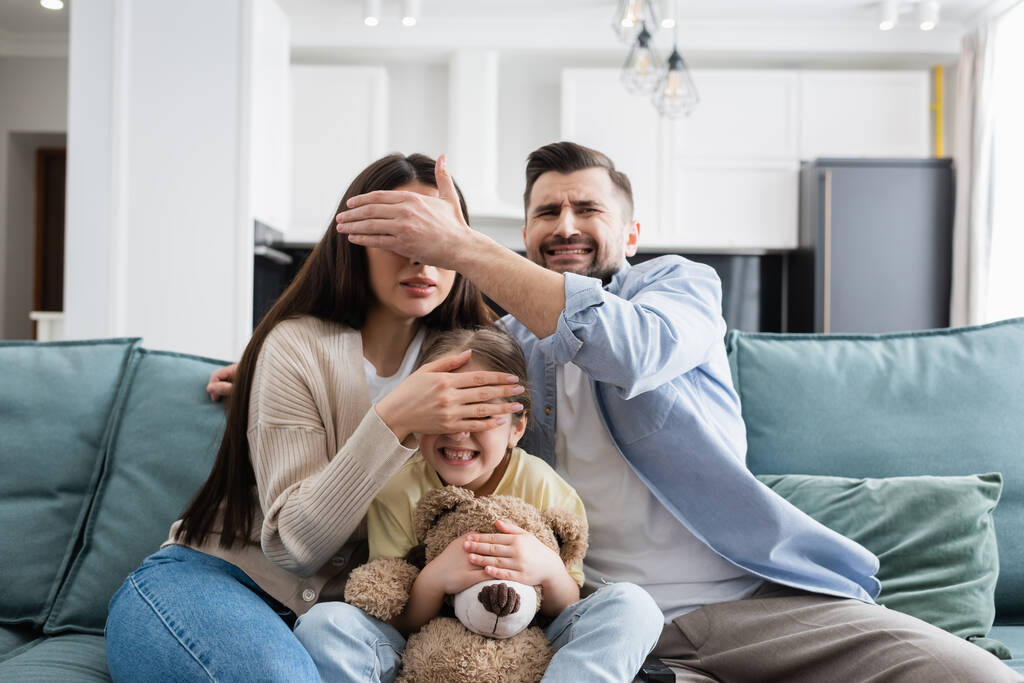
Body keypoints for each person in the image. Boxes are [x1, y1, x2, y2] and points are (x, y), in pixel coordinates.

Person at [327, 141, 1022, 681]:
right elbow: (420, 387)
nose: (565, 225)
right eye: (546, 212)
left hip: (750, 607)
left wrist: (462, 246)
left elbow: (629, 349)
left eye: (587, 209)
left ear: (631, 234)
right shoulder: (511, 345)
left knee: (968, 673)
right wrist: (299, 360)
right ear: (528, 236)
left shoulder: (680, 289)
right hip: (594, 618)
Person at [104, 153, 525, 682]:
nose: (420, 258)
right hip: (213, 582)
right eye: (398, 233)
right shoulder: (296, 346)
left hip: (346, 622)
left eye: (436, 235)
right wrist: (393, 418)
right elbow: (296, 547)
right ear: (354, 239)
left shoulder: (478, 357)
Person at [292, 328, 659, 682]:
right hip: (426, 653)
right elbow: (398, 621)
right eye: (443, 414)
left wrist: (548, 570)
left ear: (517, 427)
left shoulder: (544, 486)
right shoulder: (397, 489)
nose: (457, 433)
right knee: (325, 623)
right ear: (418, 417)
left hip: (533, 651)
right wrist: (433, 580)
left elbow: (566, 607)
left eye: (481, 415)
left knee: (634, 606)